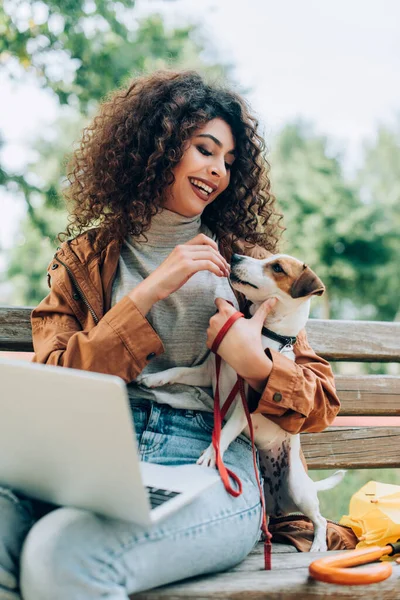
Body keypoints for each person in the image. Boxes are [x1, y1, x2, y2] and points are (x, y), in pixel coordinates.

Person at [0, 70, 340, 600]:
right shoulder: (84, 259)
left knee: (62, 554)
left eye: (229, 161)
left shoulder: (246, 267)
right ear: (156, 148)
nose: (217, 171)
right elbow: (54, 378)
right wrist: (147, 292)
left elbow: (320, 401)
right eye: (204, 150)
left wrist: (257, 364)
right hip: (94, 455)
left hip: (208, 460)